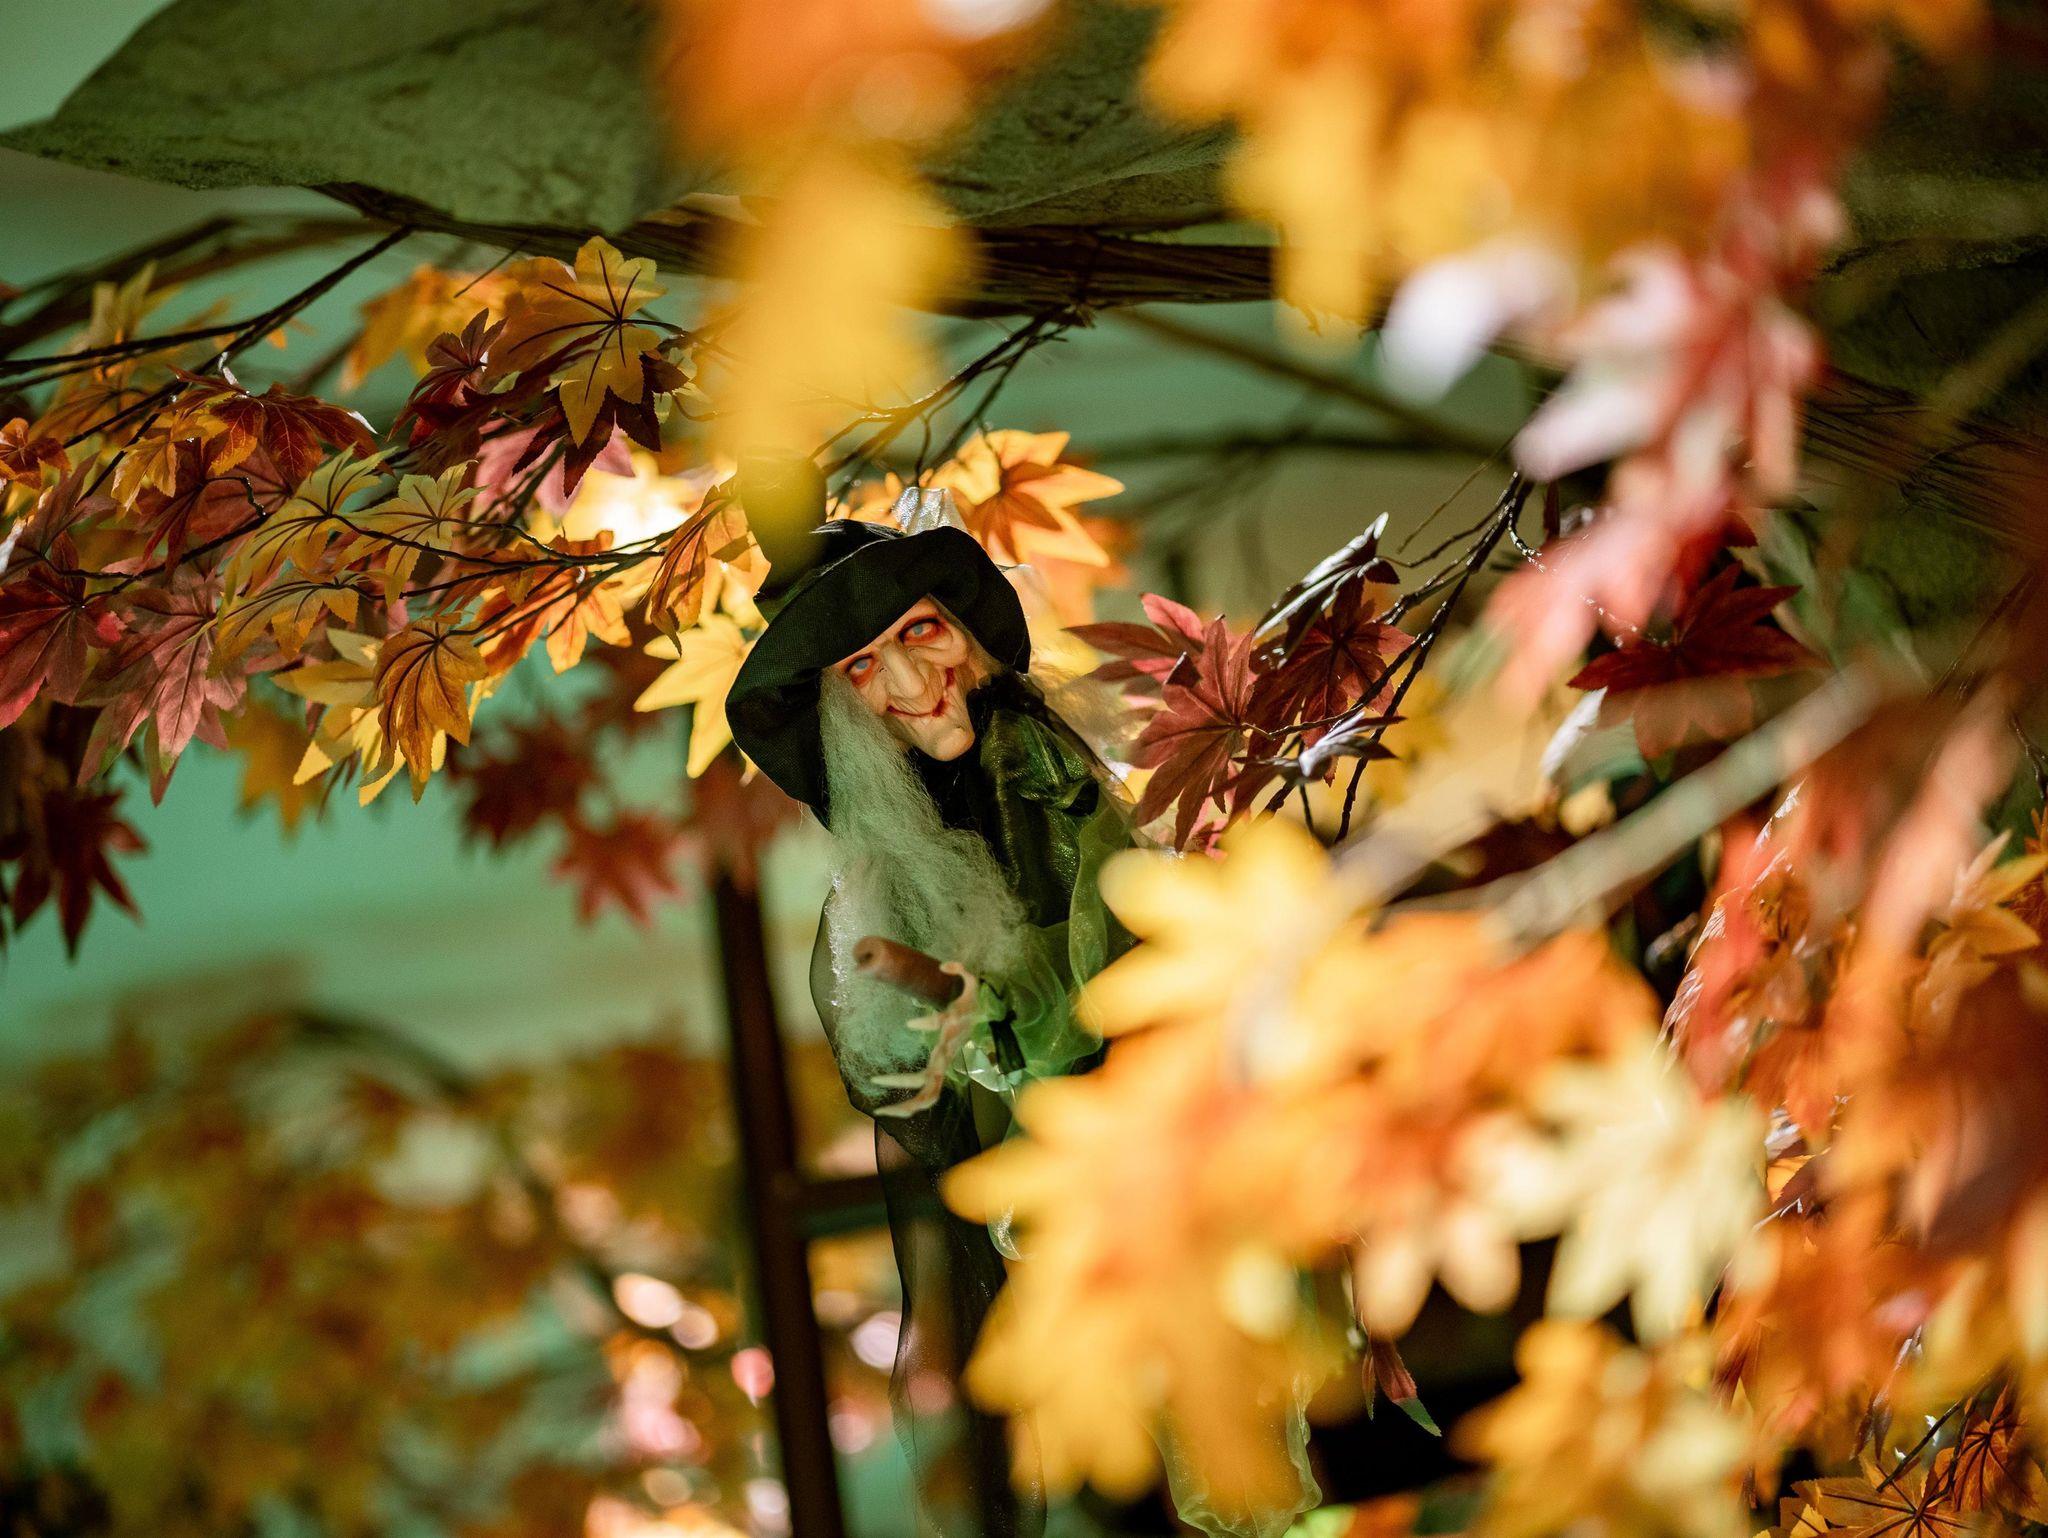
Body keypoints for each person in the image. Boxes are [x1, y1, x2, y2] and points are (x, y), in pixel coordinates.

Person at [727, 494, 1134, 1537]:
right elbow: (911, 1072)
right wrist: (965, 1027)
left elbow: (1105, 967)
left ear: (964, 625)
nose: (911, 684)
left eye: (919, 631)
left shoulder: (1058, 773)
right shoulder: (887, 869)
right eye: (863, 667)